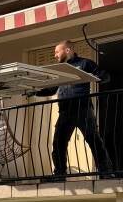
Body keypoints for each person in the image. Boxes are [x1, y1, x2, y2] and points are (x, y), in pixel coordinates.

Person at [45, 40, 112, 177]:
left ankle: (106, 172)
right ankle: (59, 174)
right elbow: (52, 89)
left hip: (83, 110)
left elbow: (105, 77)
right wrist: (33, 91)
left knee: (93, 140)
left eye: (57, 52)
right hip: (64, 112)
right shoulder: (60, 70)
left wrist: (97, 77)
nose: (55, 55)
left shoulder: (85, 63)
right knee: (58, 144)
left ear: (68, 50)